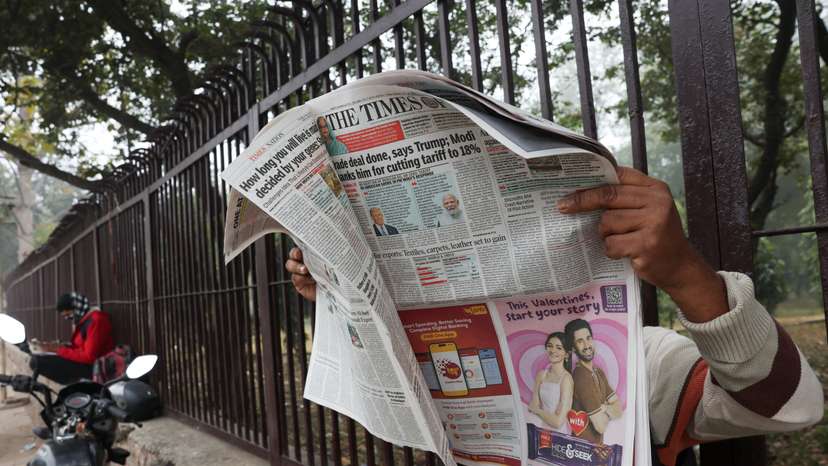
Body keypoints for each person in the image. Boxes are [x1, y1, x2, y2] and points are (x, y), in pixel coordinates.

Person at [285, 167, 823, 466]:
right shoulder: (463, 360)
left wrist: (686, 275)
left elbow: (788, 406)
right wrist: (341, 298)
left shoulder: (648, 363)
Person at [29, 292, 114, 384]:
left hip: (94, 367)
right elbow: (77, 346)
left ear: (76, 308)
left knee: (37, 362)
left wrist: (59, 350)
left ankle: (75, 384)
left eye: (68, 314)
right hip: (83, 362)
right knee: (37, 358)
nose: (68, 318)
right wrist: (55, 347)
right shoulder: (83, 320)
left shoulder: (96, 320)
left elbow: (89, 357)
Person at [565, 319, 622, 443]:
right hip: (583, 450)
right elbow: (601, 426)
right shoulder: (581, 376)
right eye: (580, 341)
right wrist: (610, 408)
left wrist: (605, 408)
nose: (587, 345)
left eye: (588, 338)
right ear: (573, 348)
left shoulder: (598, 372)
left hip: (596, 449)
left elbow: (619, 410)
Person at [528, 332, 573, 434]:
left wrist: (538, 411)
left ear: (566, 354)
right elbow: (533, 405)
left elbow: (558, 422)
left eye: (559, 348)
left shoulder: (566, 379)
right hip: (541, 429)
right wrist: (537, 410)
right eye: (550, 346)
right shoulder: (541, 375)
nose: (553, 350)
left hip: (560, 433)